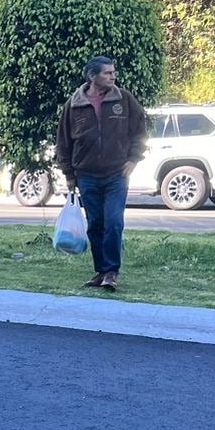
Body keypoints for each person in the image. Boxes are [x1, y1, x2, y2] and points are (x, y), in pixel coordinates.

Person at [56, 55, 148, 291]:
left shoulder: (124, 99)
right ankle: (100, 271)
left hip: (117, 173)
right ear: (92, 76)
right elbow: (64, 142)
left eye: (113, 72)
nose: (113, 76)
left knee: (114, 221)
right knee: (95, 224)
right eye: (107, 73)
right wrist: (69, 174)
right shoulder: (74, 105)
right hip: (86, 175)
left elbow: (139, 130)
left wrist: (133, 160)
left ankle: (111, 272)